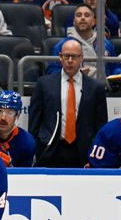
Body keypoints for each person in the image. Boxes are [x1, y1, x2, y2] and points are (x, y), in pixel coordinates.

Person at [29, 39, 108, 168]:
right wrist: (38, 147)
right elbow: (34, 122)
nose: (70, 60)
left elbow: (100, 125)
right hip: (50, 150)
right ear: (60, 57)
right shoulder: (44, 84)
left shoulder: (96, 88)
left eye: (74, 56)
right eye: (66, 56)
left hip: (83, 153)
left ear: (81, 58)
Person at [46, 4, 121, 77]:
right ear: (73, 21)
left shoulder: (106, 43)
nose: (83, 18)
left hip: (103, 88)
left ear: (94, 22)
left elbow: (115, 67)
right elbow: (52, 71)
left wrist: (118, 72)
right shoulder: (63, 45)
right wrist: (73, 74)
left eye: (87, 15)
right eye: (79, 15)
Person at [0, 90, 36, 167]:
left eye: (9, 113)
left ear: (17, 116)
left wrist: (10, 166)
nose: (3, 118)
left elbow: (25, 176)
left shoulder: (27, 143)